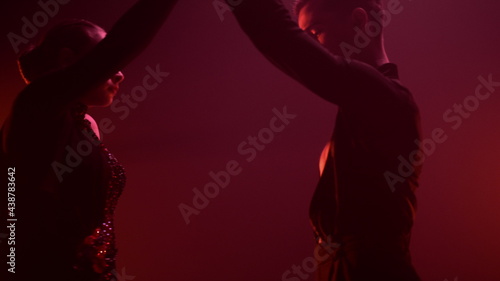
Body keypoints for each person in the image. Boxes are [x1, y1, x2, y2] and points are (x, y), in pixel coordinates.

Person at [226, 0, 422, 280]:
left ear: (358, 21)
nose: (311, 46)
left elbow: (283, 41)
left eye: (316, 31)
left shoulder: (387, 98)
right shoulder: (360, 117)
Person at [0, 0, 178, 280]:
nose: (120, 73)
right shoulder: (34, 105)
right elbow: (15, 220)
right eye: (107, 61)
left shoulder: (86, 125)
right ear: (68, 60)